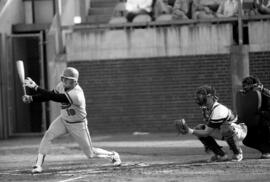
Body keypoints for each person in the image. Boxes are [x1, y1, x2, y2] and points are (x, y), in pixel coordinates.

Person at [22, 67, 121, 173]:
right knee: (48, 134)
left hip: (78, 125)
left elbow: (57, 98)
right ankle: (38, 165)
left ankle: (113, 155)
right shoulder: (61, 85)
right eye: (63, 78)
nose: (64, 81)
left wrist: (36, 87)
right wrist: (32, 98)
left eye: (67, 79)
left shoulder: (77, 94)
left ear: (74, 81)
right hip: (63, 120)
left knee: (90, 154)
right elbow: (49, 96)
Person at [177, 85, 247, 162]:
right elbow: (207, 129)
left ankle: (237, 153)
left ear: (210, 96)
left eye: (202, 94)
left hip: (240, 130)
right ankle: (220, 155)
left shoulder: (219, 110)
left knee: (225, 128)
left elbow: (207, 133)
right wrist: (193, 131)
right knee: (199, 128)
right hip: (226, 130)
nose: (199, 96)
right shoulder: (206, 108)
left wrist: (189, 130)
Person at [237, 76, 270, 159]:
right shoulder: (247, 97)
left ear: (256, 86)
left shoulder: (266, 94)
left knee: (264, 125)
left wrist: (260, 113)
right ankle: (266, 150)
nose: (244, 88)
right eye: (244, 85)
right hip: (255, 123)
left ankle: (266, 151)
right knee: (246, 140)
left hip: (265, 124)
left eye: (247, 85)